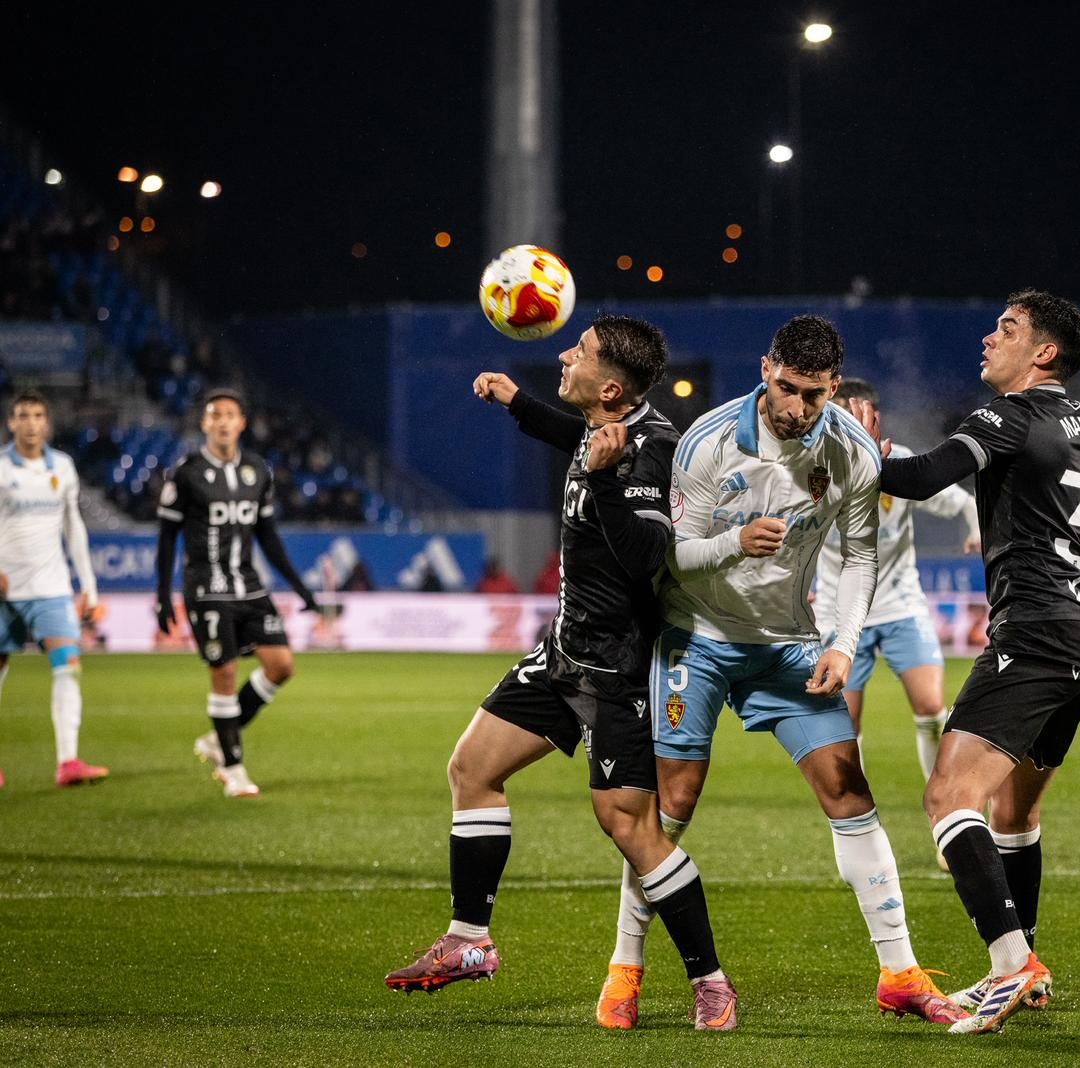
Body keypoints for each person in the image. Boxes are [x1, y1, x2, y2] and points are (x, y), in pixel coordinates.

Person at [604, 315, 966, 1028]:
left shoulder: (852, 450)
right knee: (670, 807)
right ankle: (625, 968)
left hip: (786, 643)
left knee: (847, 786)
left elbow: (860, 554)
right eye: (788, 388)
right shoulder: (707, 442)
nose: (799, 408)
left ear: (835, 385)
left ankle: (900, 972)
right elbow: (670, 555)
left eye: (815, 394)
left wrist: (842, 642)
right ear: (766, 368)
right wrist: (735, 543)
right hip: (696, 637)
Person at [385, 315, 736, 1033]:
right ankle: (470, 940)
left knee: (629, 829)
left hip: (619, 674)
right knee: (472, 768)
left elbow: (647, 561)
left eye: (580, 352)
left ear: (611, 389)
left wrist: (605, 483)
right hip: (563, 653)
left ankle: (712, 982)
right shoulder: (602, 432)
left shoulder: (651, 451)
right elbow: (570, 438)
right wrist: (517, 403)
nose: (563, 355)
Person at [856, 289, 1080, 1034]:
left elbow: (915, 480)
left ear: (1042, 353)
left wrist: (846, 443)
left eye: (1007, 329)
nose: (989, 338)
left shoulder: (1010, 416)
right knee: (1016, 809)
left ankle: (1014, 964)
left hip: (1036, 633)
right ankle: (1030, 972)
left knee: (948, 795)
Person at [814, 379, 981, 797]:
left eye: (860, 414)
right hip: (838, 614)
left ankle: (946, 808)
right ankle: (860, 815)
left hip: (900, 605)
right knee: (843, 726)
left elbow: (962, 501)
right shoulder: (812, 470)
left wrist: (976, 529)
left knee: (931, 708)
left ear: (874, 418)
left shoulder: (899, 462)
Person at [154, 388, 319, 799]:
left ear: (242, 422)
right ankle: (234, 769)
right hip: (206, 588)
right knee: (224, 673)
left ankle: (217, 740)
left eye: (230, 414)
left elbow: (267, 534)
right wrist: (161, 595)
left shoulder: (257, 471)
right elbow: (165, 539)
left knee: (281, 665)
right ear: (205, 423)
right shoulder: (186, 473)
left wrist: (299, 585)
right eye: (215, 415)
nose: (223, 421)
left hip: (248, 585)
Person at [0, 391, 107, 789]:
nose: (30, 422)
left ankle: (68, 762)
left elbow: (74, 528)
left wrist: (89, 585)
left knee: (69, 666)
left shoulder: (62, 466)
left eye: (38, 415)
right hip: (4, 589)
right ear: (11, 423)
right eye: (23, 415)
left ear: (47, 422)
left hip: (51, 585)